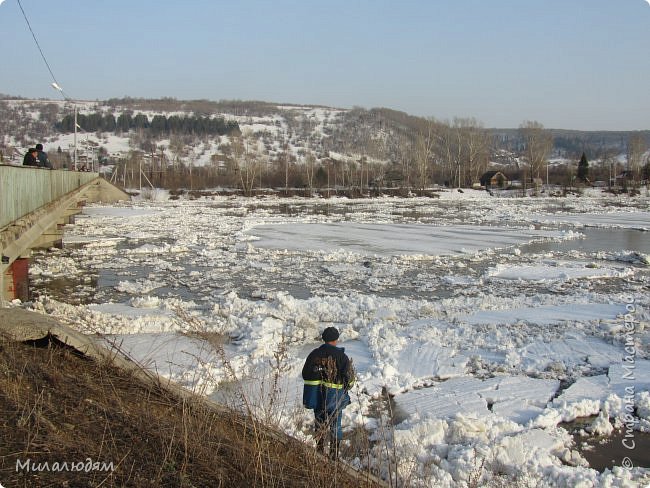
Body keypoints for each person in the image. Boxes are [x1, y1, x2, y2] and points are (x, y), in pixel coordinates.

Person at [302, 326, 355, 459]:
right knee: (335, 425)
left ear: (324, 339)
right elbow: (349, 379)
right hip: (334, 398)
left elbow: (305, 374)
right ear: (336, 340)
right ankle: (334, 456)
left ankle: (319, 451)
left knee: (319, 422)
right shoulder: (341, 356)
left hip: (317, 397)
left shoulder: (314, 354)